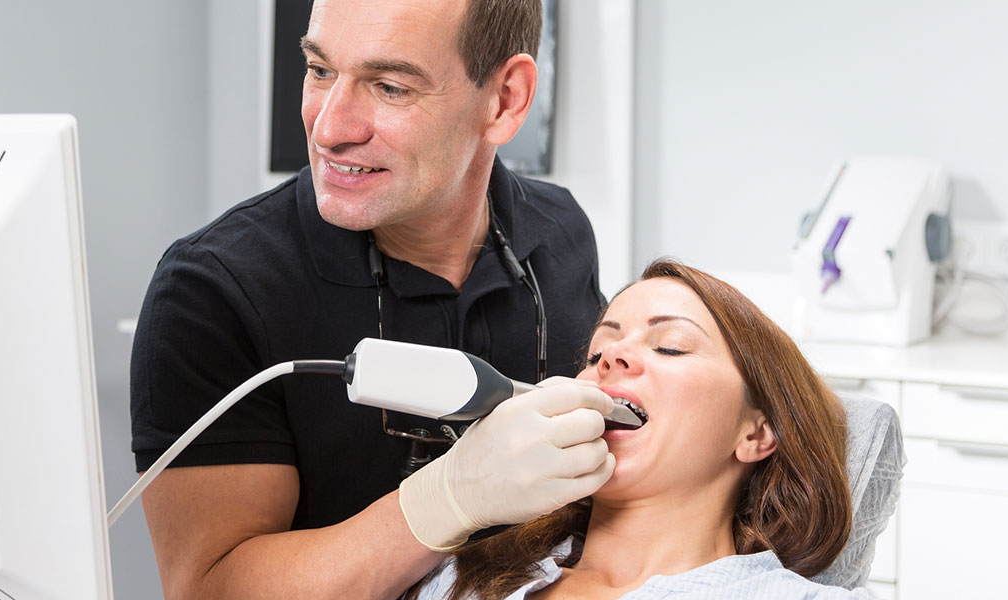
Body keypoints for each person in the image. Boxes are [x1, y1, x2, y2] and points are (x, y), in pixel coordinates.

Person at [129, 1, 613, 598]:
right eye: (320, 70)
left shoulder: (560, 231)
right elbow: (209, 589)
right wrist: (447, 499)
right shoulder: (214, 290)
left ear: (506, 100)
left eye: (389, 87)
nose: (329, 128)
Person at [407, 259, 872, 599]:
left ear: (756, 433)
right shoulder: (458, 580)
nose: (611, 358)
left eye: (670, 347)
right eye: (595, 356)